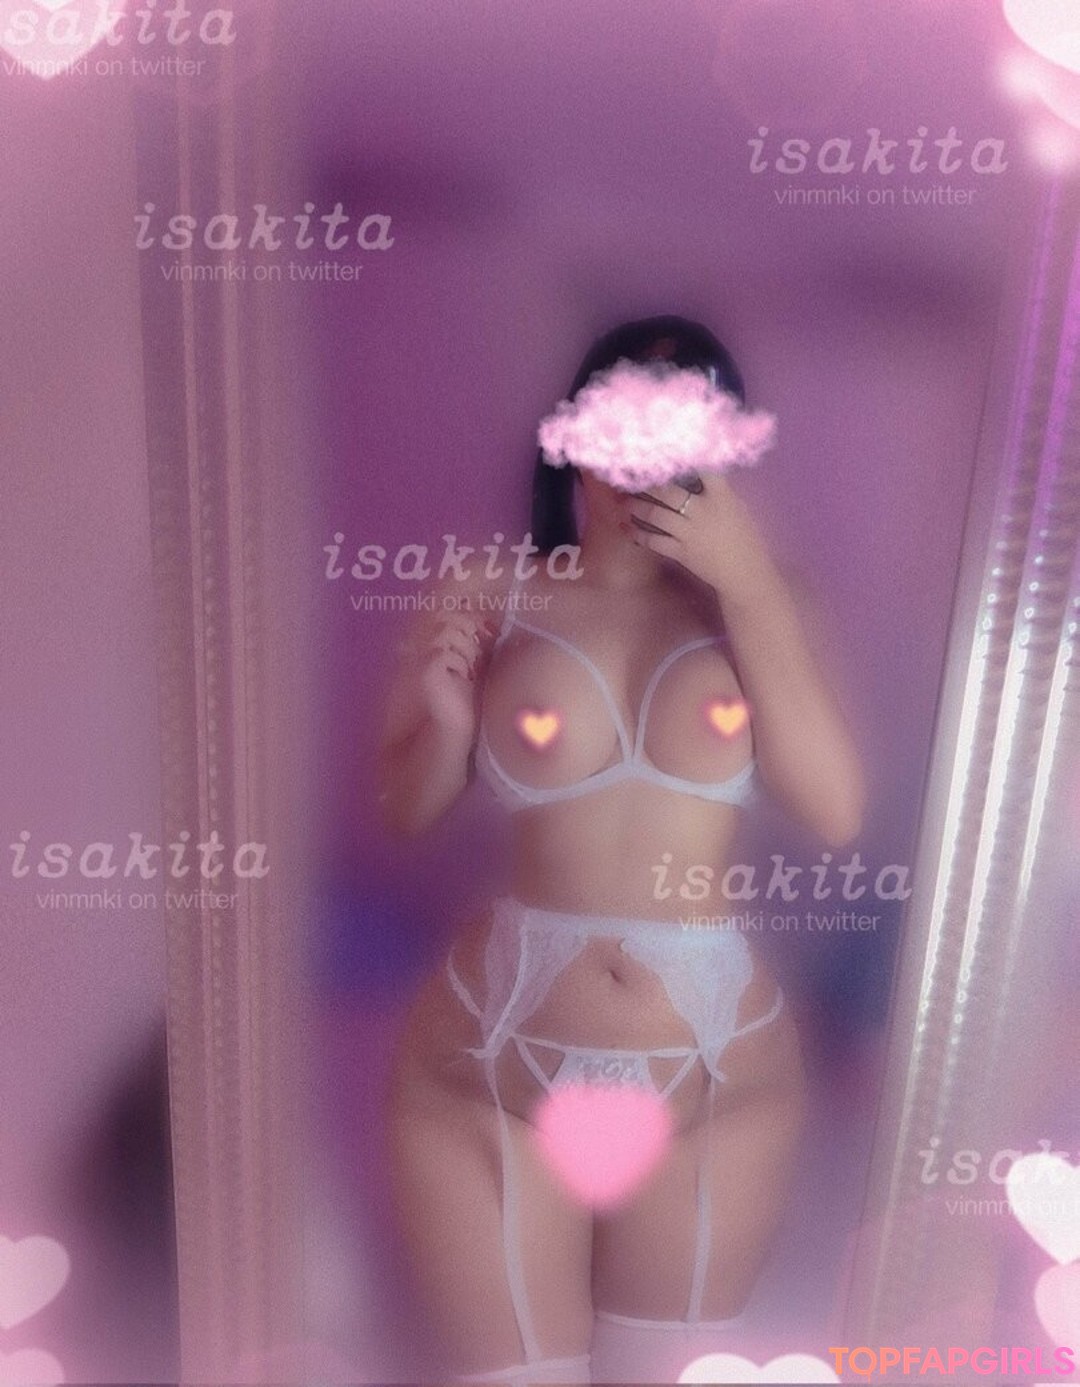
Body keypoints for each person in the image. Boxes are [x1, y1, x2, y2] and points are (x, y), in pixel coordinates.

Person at [380, 315, 864, 1385]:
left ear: (719, 455)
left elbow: (832, 809)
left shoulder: (765, 605)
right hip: (491, 1061)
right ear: (571, 437)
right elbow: (404, 810)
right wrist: (450, 725)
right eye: (621, 427)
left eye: (677, 438)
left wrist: (748, 583)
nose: (642, 469)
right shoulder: (489, 588)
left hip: (713, 1076)